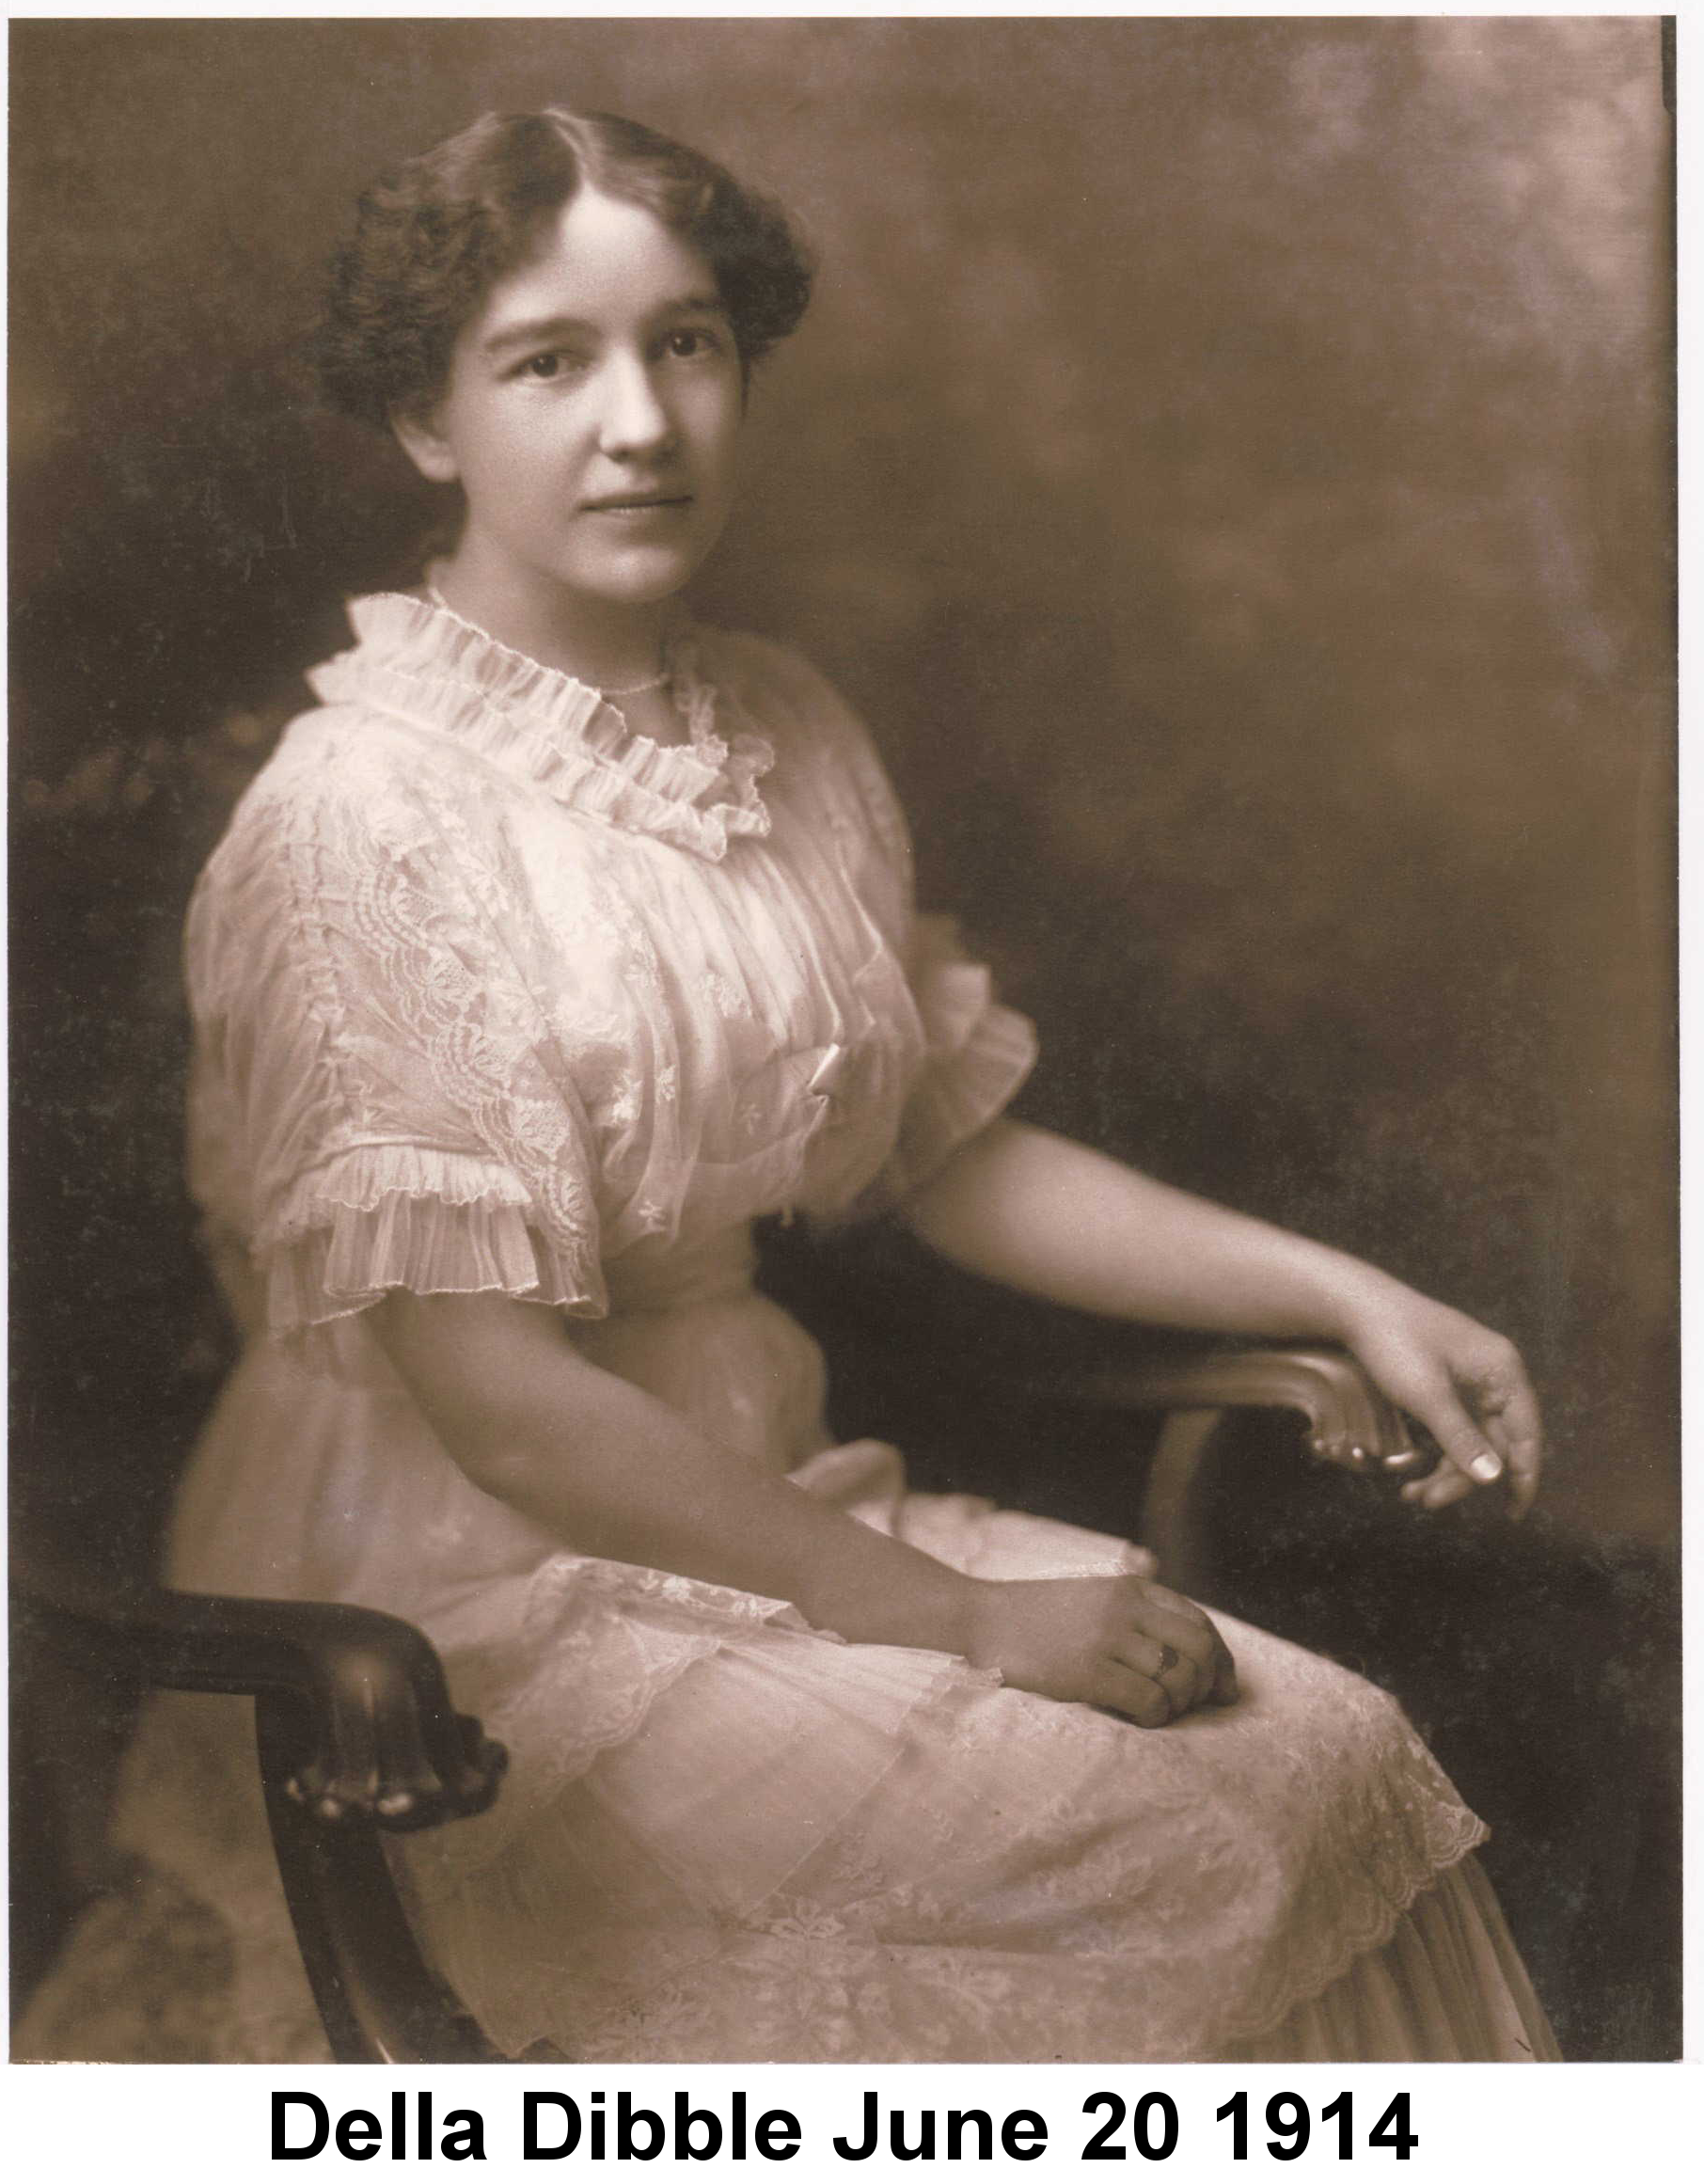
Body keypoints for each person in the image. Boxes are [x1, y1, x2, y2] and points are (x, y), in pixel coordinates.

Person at [21, 107, 1557, 2064]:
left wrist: (1350, 1292)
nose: (641, 424)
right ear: (428, 422)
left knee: (1327, 1757)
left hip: (757, 1502)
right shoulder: (361, 821)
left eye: (687, 343)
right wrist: (962, 1618)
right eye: (549, 362)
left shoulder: (785, 732)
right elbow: (500, 1410)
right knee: (1166, 1845)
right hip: (434, 1602)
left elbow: (942, 1153)